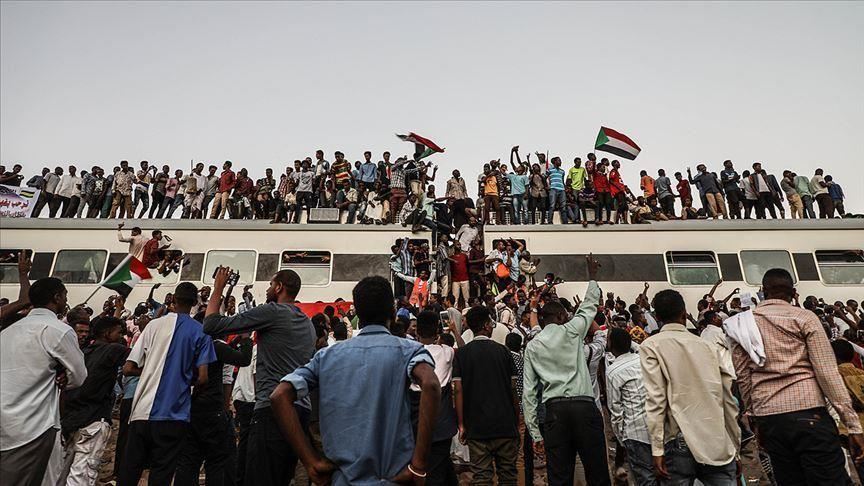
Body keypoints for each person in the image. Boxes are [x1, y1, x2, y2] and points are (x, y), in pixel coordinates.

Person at [272, 276, 440, 485]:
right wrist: (419, 465)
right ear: (393, 312)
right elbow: (431, 384)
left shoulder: (327, 356)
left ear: (357, 314)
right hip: (392, 478)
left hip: (342, 479)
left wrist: (310, 461)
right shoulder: (409, 350)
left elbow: (279, 395)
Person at [730, 268, 864, 485]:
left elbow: (743, 377)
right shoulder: (804, 317)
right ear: (793, 293)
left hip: (770, 417)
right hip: (809, 412)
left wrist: (755, 418)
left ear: (763, 291)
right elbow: (827, 372)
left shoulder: (742, 324)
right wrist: (853, 425)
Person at [202, 268, 316, 486]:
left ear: (279, 287)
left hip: (272, 410)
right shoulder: (307, 322)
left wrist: (218, 287)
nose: (267, 290)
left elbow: (211, 325)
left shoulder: (272, 311)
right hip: (300, 411)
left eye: (271, 285)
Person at [523, 254, 610, 486]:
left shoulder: (534, 345)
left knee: (559, 477)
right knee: (598, 474)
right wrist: (592, 276)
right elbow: (589, 306)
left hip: (554, 412)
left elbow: (529, 393)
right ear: (562, 316)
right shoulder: (572, 330)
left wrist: (535, 432)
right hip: (584, 407)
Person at [118, 282, 216, 486]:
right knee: (162, 473)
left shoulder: (153, 325)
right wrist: (186, 384)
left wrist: (152, 371)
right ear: (195, 303)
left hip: (141, 411)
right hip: (175, 413)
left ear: (174, 300)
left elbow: (127, 368)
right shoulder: (201, 332)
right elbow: (203, 378)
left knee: (129, 471)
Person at [640, 289, 740, 485]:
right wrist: (735, 448)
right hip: (717, 437)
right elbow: (727, 399)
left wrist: (657, 449)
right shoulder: (708, 346)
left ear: (657, 317)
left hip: (679, 438)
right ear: (684, 313)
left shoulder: (650, 346)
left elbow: (656, 399)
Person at [0, 277, 87, 486]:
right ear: (56, 297)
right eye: (65, 295)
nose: (66, 301)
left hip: (5, 420)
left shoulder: (7, 332)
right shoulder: (59, 330)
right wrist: (63, 379)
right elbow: (79, 376)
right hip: (33, 425)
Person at [174, 327, 252, 486]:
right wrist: (245, 338)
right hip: (212, 409)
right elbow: (244, 359)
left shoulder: (192, 346)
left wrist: (234, 342)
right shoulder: (216, 347)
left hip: (191, 407)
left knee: (189, 459)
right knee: (216, 460)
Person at [453, 306, 519, 485]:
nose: (492, 326)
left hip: (476, 427)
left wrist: (461, 424)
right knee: (508, 476)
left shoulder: (462, 354)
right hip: (505, 425)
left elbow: (458, 390)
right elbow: (513, 389)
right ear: (485, 326)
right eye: (490, 323)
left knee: (482, 477)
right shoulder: (504, 352)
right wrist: (516, 419)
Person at [59, 316, 128, 486]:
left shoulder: (83, 352)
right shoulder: (113, 349)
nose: (121, 336)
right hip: (94, 421)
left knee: (61, 473)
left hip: (70, 418)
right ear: (107, 333)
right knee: (81, 476)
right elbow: (138, 358)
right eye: (118, 333)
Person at [606, 327, 654, 486]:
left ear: (611, 345)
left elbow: (615, 409)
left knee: (645, 478)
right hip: (657, 426)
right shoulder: (644, 359)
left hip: (635, 432)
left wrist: (621, 438)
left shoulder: (613, 371)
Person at [546, 157, 568, 224]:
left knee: (563, 206)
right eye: (559, 160)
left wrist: (565, 188)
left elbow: (562, 180)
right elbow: (544, 178)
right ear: (555, 162)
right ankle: (550, 221)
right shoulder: (550, 170)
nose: (560, 162)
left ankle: (565, 222)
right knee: (552, 206)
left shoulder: (562, 171)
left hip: (562, 190)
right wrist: (547, 186)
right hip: (553, 189)